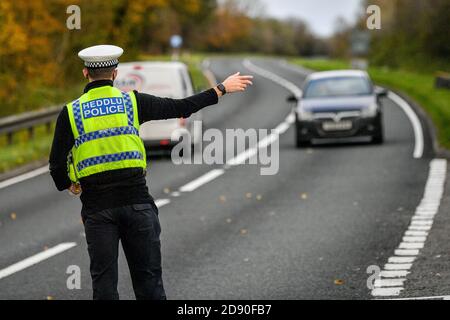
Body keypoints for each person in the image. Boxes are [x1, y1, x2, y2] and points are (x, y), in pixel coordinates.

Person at [49, 45, 253, 300]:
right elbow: (181, 107)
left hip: (97, 211)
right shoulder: (133, 102)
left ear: (85, 74)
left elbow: (56, 166)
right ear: (115, 73)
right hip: (138, 206)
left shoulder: (71, 112)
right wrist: (220, 89)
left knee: (104, 286)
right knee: (149, 284)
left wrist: (70, 184)